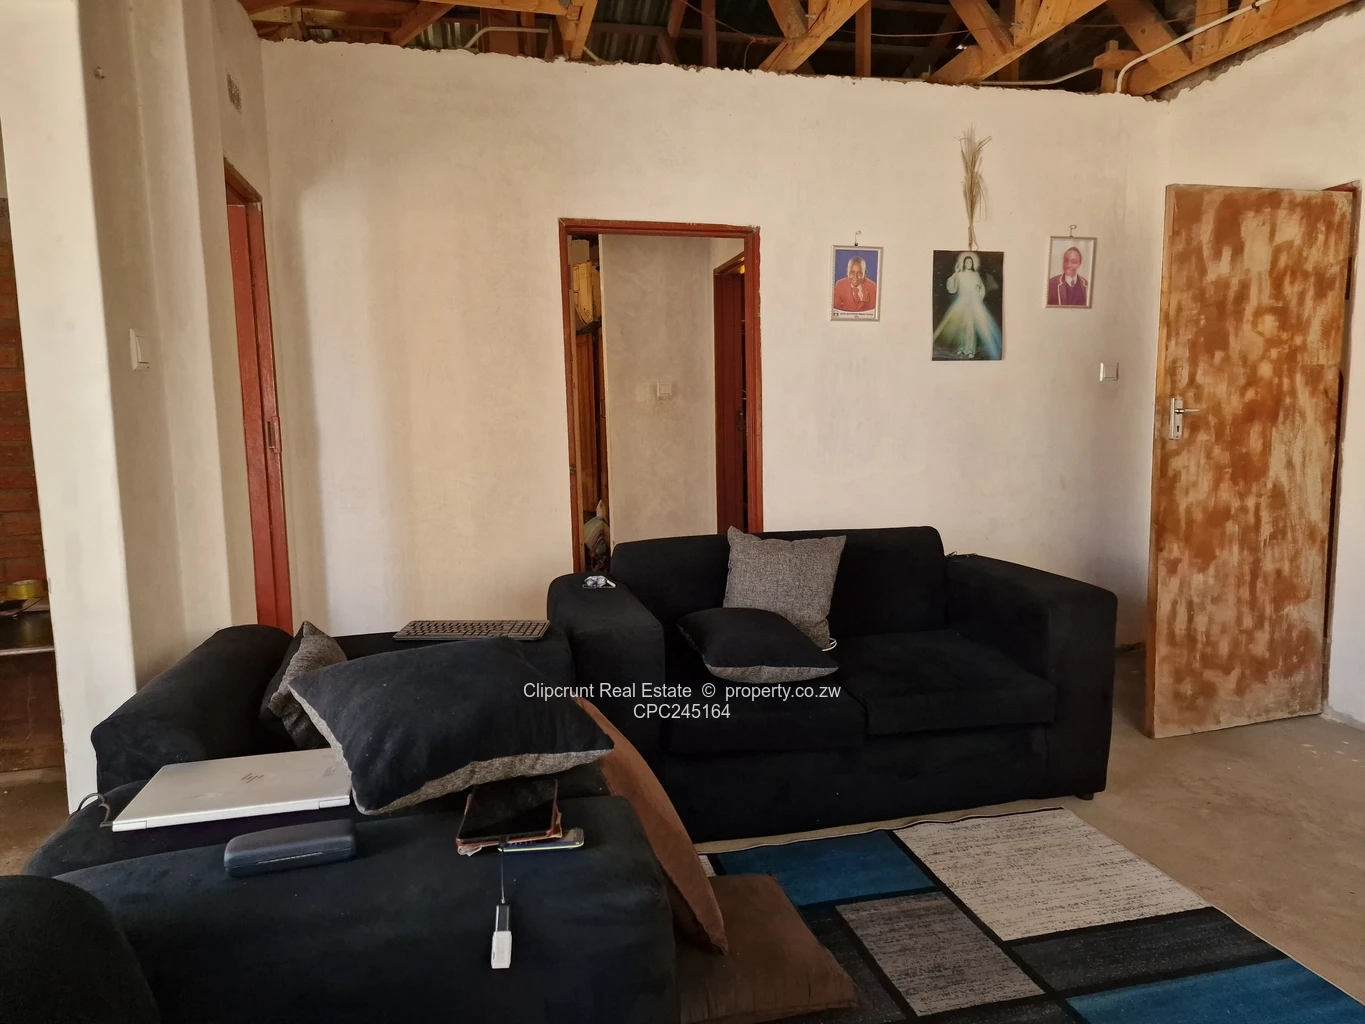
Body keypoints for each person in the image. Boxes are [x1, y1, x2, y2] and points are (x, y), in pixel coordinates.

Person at [933, 253, 1002, 360]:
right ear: (964, 264)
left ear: (972, 263)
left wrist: (978, 296)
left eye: (970, 262)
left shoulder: (975, 275)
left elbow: (981, 288)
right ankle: (961, 348)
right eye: (967, 262)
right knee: (961, 326)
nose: (968, 264)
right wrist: (956, 273)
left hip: (972, 303)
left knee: (970, 327)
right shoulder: (960, 274)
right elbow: (952, 288)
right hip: (962, 303)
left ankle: (970, 350)